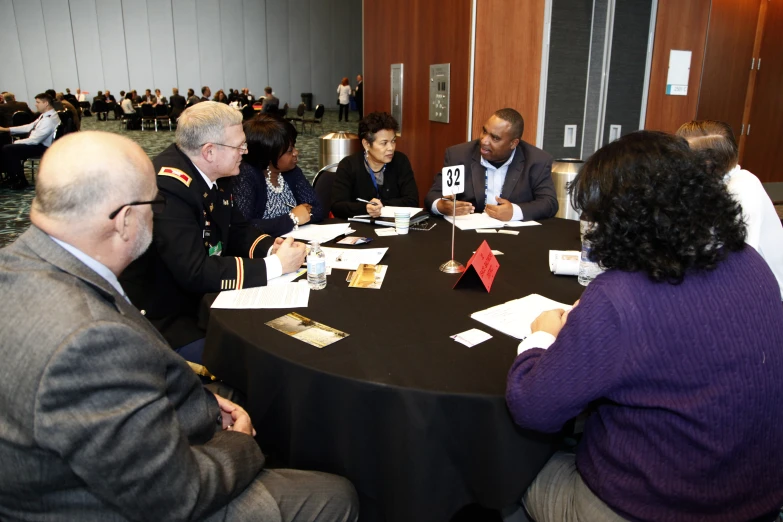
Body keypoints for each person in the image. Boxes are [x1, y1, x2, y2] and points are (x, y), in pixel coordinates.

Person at [0, 130, 359, 522]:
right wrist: (239, 447)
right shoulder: (89, 340)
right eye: (154, 204)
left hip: (91, 459)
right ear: (124, 221)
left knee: (239, 390)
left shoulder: (17, 264)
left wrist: (200, 403)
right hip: (113, 504)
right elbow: (173, 495)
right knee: (336, 495)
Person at [506, 131, 783, 522]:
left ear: (622, 219)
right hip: (757, 501)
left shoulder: (620, 297)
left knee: (507, 466)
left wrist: (541, 336)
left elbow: (532, 407)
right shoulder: (752, 263)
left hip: (650, 508)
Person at [119, 102, 307, 363]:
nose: (246, 151)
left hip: (206, 297)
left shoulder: (214, 171)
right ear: (209, 151)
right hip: (170, 317)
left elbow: (236, 227)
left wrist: (270, 248)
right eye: (239, 146)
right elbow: (194, 271)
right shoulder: (167, 188)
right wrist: (274, 266)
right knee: (260, 359)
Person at [676, 120, 783, 300]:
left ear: (707, 164)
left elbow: (736, 261)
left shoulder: (743, 189)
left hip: (769, 293)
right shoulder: (714, 184)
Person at [425, 108, 558, 221]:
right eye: (484, 131)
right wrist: (441, 206)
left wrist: (514, 212)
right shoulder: (459, 155)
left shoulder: (536, 160)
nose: (484, 141)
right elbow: (434, 195)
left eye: (495, 138)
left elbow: (549, 203)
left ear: (513, 143)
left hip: (515, 237)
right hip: (467, 233)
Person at [234, 115, 324, 236]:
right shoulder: (246, 176)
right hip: (263, 249)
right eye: (289, 150)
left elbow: (317, 209)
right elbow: (244, 227)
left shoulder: (292, 171)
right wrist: (292, 219)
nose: (296, 153)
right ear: (269, 155)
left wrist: (297, 217)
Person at [331, 112, 418, 218]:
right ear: (366, 144)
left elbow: (412, 201)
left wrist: (381, 206)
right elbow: (337, 206)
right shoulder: (348, 165)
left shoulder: (400, 161)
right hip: (358, 229)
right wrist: (365, 208)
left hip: (393, 227)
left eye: (393, 141)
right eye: (384, 143)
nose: (391, 148)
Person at [0, 92, 60, 189]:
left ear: (46, 103)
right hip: (40, 144)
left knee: (8, 149)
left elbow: (35, 141)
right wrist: (7, 129)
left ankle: (20, 180)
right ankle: (13, 176)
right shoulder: (45, 115)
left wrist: (15, 142)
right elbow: (29, 127)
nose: (36, 104)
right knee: (8, 148)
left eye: (38, 102)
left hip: (43, 147)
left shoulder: (49, 120)